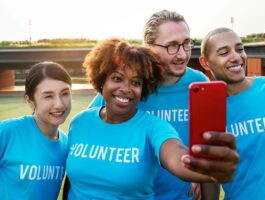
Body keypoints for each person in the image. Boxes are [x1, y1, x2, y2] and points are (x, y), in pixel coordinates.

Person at [64, 38, 238, 199]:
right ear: (102, 80)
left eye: (136, 82)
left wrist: (213, 169)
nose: (126, 88)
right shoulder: (79, 123)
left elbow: (177, 159)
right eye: (117, 78)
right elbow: (70, 182)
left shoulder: (154, 127)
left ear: (144, 88)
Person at [89, 10, 222, 200]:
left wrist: (199, 174)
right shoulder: (128, 85)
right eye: (172, 46)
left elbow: (208, 148)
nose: (182, 54)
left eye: (186, 44)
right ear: (148, 47)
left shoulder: (199, 84)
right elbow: (90, 134)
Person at [199, 27, 265, 199]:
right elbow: (210, 175)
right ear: (205, 62)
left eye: (240, 49)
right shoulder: (208, 112)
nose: (236, 57)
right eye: (224, 52)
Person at [0, 61, 72, 199]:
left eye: (65, 93)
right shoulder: (7, 132)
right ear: (29, 101)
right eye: (48, 96)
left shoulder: (66, 144)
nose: (59, 104)